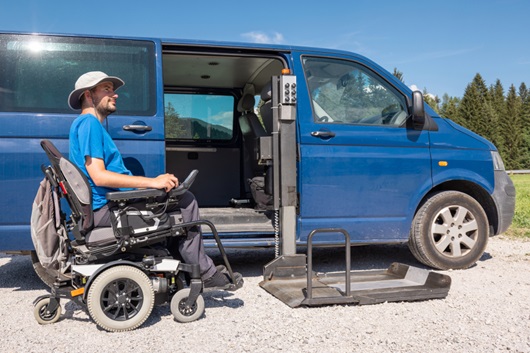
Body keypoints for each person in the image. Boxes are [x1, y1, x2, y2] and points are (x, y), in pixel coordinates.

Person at [68, 71, 237, 288]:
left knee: (176, 198)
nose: (115, 95)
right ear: (89, 95)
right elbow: (99, 176)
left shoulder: (86, 125)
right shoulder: (89, 124)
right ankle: (204, 273)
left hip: (105, 206)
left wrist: (153, 183)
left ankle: (190, 267)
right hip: (106, 210)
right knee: (186, 201)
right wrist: (152, 183)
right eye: (107, 89)